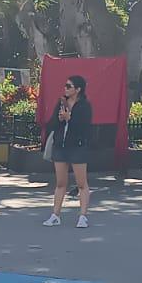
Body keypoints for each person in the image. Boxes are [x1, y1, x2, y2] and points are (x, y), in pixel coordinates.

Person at [42, 74, 93, 229]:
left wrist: (70, 118)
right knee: (60, 183)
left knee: (81, 183)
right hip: (60, 147)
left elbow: (84, 128)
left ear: (78, 89)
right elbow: (51, 124)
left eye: (69, 86)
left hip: (77, 147)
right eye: (65, 85)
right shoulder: (61, 103)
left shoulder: (84, 106)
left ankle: (83, 216)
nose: (65, 88)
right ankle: (55, 215)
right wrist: (60, 118)